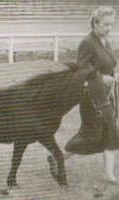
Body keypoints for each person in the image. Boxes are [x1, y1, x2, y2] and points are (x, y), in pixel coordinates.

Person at [48, 6, 119, 184]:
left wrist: (114, 74)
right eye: (106, 25)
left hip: (107, 96)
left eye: (112, 24)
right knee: (91, 136)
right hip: (92, 97)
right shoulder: (88, 42)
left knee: (111, 133)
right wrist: (103, 78)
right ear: (95, 23)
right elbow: (80, 70)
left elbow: (108, 64)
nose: (109, 28)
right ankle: (58, 157)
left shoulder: (106, 42)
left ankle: (108, 174)